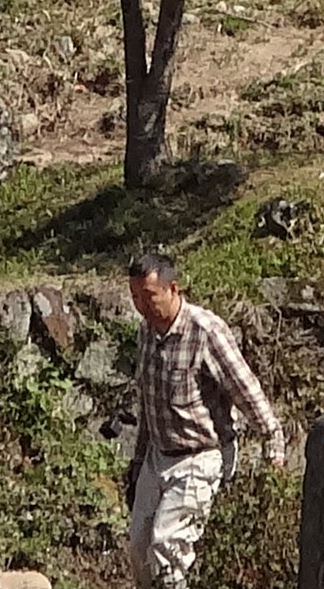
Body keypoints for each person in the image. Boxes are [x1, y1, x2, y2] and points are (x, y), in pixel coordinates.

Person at [120, 251, 286, 589]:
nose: (142, 305)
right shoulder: (146, 334)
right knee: (139, 550)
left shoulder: (205, 331)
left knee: (167, 551)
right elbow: (149, 402)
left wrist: (273, 438)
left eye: (149, 296)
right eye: (135, 297)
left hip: (200, 455)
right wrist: (138, 462)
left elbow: (244, 387)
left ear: (173, 289)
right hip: (158, 455)